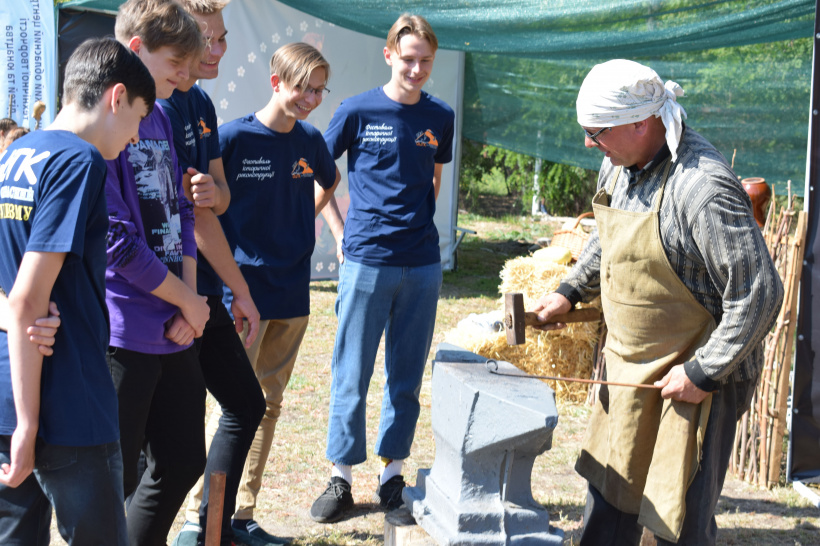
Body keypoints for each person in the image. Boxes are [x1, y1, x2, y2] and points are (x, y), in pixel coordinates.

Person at [531, 59, 784, 545]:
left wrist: (704, 372)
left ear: (640, 124)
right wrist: (569, 292)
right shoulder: (618, 162)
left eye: (596, 131)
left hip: (698, 382)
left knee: (675, 522)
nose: (588, 143)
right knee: (610, 504)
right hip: (633, 370)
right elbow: (608, 236)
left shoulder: (702, 188)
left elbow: (760, 293)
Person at [0, 36, 154, 545]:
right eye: (138, 118)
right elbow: (28, 299)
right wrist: (30, 424)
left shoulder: (18, 152)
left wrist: (10, 317)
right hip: (66, 403)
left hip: (8, 392)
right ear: (116, 97)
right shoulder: (80, 161)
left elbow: (15, 298)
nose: (135, 136)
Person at [310, 13, 455, 523]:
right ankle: (341, 477)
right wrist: (337, 231)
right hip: (367, 260)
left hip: (422, 264)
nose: (416, 69)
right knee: (351, 369)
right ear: (389, 54)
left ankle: (393, 475)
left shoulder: (440, 116)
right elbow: (322, 175)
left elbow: (433, 178)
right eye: (408, 59)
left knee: (406, 374)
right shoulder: (356, 110)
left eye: (425, 61)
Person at [217, 41, 337, 542]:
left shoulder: (310, 140)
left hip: (293, 292)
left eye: (319, 90)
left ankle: (241, 514)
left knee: (269, 403)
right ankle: (205, 518)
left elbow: (330, 181)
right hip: (244, 294)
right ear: (276, 82)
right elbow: (203, 208)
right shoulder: (233, 138)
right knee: (234, 407)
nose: (312, 99)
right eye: (303, 88)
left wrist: (302, 219)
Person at [160, 1, 266, 545]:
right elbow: (190, 218)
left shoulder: (201, 101)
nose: (218, 50)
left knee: (245, 405)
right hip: (164, 297)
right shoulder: (155, 104)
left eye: (223, 38)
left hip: (202, 291)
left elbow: (216, 198)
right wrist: (234, 290)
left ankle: (213, 530)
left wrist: (213, 193)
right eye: (208, 39)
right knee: (166, 452)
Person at [106, 1, 211, 543]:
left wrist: (188, 300)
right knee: (116, 477)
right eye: (176, 62)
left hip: (176, 322)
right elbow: (116, 243)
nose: (186, 74)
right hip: (124, 331)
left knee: (183, 457)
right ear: (136, 50)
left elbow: (181, 210)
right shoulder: (105, 122)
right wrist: (186, 302)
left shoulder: (163, 116)